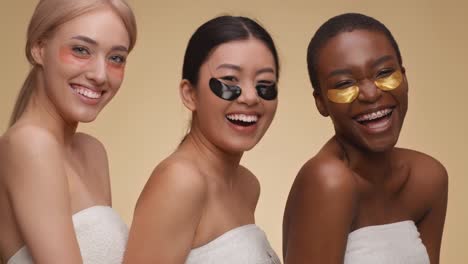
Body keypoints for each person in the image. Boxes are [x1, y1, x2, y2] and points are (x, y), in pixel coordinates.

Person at [283, 13, 448, 264]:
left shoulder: (428, 178)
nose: (370, 94)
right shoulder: (329, 181)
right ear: (321, 103)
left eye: (384, 73)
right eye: (344, 84)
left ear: (404, 77)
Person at [124, 15, 281, 264]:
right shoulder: (180, 182)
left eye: (264, 83)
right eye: (230, 80)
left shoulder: (247, 185)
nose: (251, 97)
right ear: (190, 94)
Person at [0, 0, 137, 263]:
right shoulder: (30, 145)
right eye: (81, 50)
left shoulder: (92, 152)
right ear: (39, 48)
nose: (100, 75)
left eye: (116, 58)